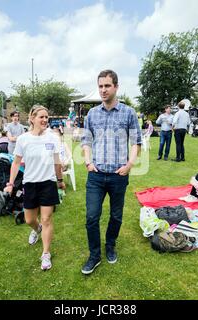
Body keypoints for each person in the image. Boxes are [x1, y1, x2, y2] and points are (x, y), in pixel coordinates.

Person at [81, 69, 142, 275]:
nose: (103, 90)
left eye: (107, 86)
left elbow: (136, 143)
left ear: (116, 86)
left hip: (118, 175)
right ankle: (94, 254)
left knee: (116, 216)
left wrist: (129, 165)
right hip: (96, 176)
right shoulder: (92, 114)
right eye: (100, 86)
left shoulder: (129, 113)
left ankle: (110, 245)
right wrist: (88, 163)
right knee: (91, 217)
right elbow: (86, 141)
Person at [4, 105, 66, 271]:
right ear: (32, 118)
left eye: (47, 117)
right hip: (30, 183)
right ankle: (36, 229)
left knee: (47, 219)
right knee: (29, 219)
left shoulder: (53, 137)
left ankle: (46, 254)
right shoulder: (23, 139)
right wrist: (10, 183)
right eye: (41, 117)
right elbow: (16, 163)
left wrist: (60, 179)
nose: (45, 120)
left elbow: (56, 160)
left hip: (48, 182)